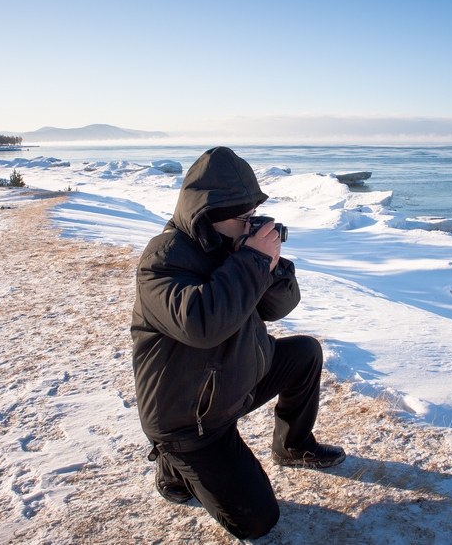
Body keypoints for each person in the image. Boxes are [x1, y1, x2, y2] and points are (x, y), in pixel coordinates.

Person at [132, 146, 345, 539]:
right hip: (190, 418)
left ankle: (293, 445)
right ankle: (173, 464)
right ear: (208, 215)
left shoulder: (231, 247)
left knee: (304, 353)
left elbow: (279, 308)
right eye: (243, 218)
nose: (252, 226)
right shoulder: (163, 260)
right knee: (258, 520)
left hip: (234, 380)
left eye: (254, 217)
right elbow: (202, 325)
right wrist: (248, 261)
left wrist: (271, 265)